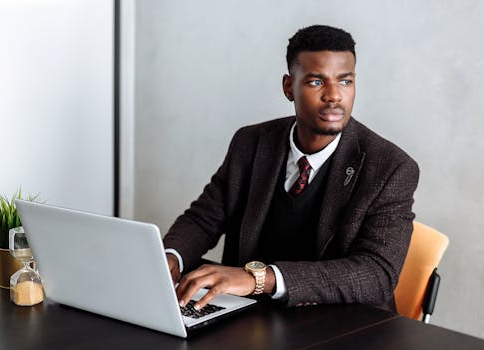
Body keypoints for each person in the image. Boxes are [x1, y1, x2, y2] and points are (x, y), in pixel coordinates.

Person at [163, 25, 419, 313]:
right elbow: (204, 218)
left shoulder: (391, 167)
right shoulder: (250, 142)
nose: (334, 95)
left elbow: (376, 273)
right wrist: (170, 258)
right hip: (249, 315)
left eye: (345, 82)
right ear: (289, 87)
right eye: (316, 82)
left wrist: (261, 279)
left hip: (342, 324)